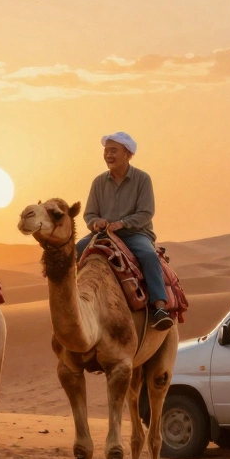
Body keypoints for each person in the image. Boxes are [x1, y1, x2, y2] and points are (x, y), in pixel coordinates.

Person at [76, 132, 173, 330]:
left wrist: (122, 223)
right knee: (76, 249)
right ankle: (76, 304)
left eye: (113, 150)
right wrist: (96, 223)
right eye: (106, 151)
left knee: (148, 255)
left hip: (135, 233)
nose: (108, 155)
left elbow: (146, 213)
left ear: (128, 154)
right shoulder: (98, 182)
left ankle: (159, 307)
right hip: (104, 234)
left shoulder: (142, 179)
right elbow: (89, 214)